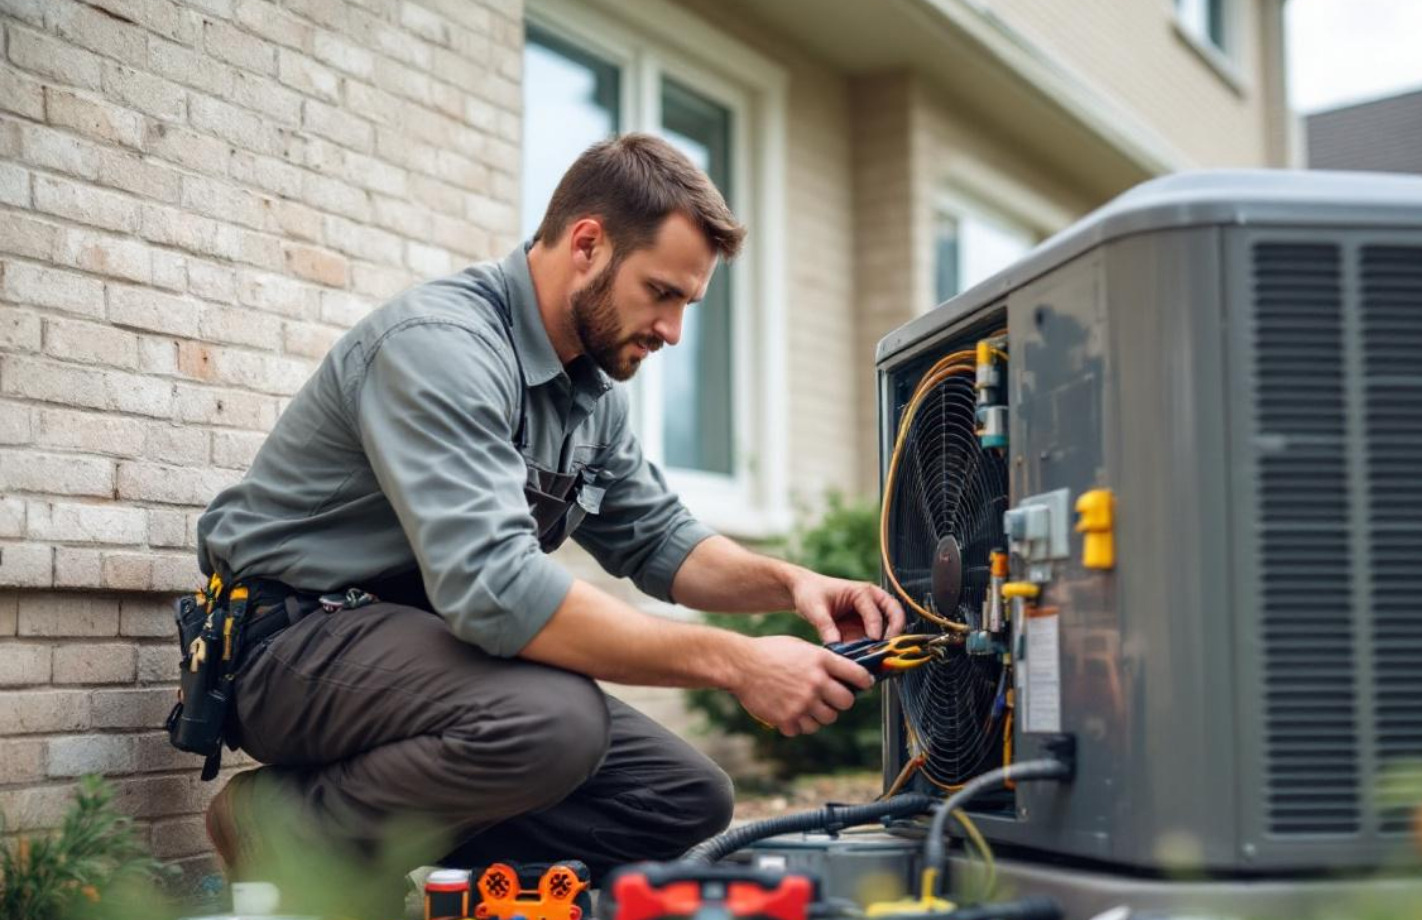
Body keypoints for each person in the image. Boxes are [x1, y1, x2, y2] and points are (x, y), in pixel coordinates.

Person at [194, 133, 904, 882]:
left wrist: (793, 586)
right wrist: (737, 662)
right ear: (588, 245)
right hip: (288, 641)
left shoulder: (587, 389)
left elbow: (660, 539)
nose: (672, 332)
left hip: (419, 650)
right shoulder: (443, 347)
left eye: (686, 304)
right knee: (555, 722)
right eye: (661, 293)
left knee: (683, 797)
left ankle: (435, 871)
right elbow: (497, 591)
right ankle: (284, 830)